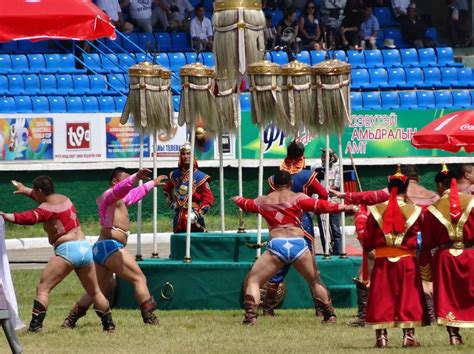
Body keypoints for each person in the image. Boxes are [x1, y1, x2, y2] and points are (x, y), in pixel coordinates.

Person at [232, 170, 355, 325]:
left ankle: (251, 318)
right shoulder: (298, 197)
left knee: (253, 280)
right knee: (315, 280)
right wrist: (345, 207)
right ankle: (330, 316)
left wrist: (235, 198)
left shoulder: (263, 200)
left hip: (277, 245)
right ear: (290, 184)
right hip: (298, 244)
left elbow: (246, 204)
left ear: (273, 184)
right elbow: (322, 205)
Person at [0, 177, 116, 332]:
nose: (33, 193)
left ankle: (35, 327)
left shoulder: (47, 208)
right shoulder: (64, 199)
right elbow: (39, 198)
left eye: (34, 191)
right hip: (83, 247)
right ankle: (109, 325)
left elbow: (30, 217)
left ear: (40, 191)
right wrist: (25, 190)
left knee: (43, 288)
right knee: (94, 291)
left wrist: (7, 216)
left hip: (67, 250)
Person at [62, 168, 167, 328]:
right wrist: (136, 176)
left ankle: (70, 320)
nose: (128, 185)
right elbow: (123, 188)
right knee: (139, 278)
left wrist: (152, 183)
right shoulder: (109, 196)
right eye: (125, 181)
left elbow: (134, 194)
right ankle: (149, 318)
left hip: (102, 247)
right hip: (110, 246)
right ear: (114, 182)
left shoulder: (119, 200)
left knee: (96, 289)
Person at [263, 141, 329, 317]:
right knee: (311, 270)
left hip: (279, 225)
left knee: (276, 265)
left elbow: (267, 200)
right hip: (302, 224)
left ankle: (268, 308)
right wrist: (308, 202)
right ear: (302, 155)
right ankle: (321, 309)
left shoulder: (274, 179)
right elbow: (324, 195)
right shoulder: (307, 176)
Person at [363, 166, 426, 348]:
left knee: (381, 297)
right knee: (409, 297)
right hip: (407, 260)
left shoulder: (375, 210)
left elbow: (367, 241)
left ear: (389, 188)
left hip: (382, 260)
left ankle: (381, 337)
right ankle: (409, 337)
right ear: (406, 189)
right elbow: (424, 236)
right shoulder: (415, 211)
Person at [419, 164, 474, 345]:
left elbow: (428, 241)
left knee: (448, 295)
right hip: (469, 253)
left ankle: (453, 335)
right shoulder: (472, 202)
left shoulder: (433, 209)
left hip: (445, 257)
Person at [163, 143, 214, 233]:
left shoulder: (201, 177)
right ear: (180, 156)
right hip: (179, 217)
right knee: (180, 243)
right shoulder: (175, 175)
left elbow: (208, 198)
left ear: (193, 156)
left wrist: (200, 213)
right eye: (183, 154)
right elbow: (167, 188)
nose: (186, 156)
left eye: (188, 153)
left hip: (194, 216)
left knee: (195, 244)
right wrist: (172, 203)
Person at [314, 148, 342, 255]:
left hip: (333, 200)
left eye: (325, 155)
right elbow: (314, 185)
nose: (323, 157)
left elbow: (337, 185)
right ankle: (327, 250)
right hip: (321, 201)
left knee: (335, 228)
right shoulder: (317, 169)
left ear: (331, 157)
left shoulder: (337, 169)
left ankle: (338, 251)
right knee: (323, 229)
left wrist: (326, 189)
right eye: (322, 155)